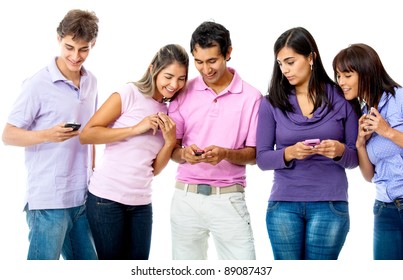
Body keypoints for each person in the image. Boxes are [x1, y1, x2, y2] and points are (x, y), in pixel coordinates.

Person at [1, 9, 99, 260]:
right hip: (48, 201)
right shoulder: (37, 84)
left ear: (93, 44)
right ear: (58, 39)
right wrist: (47, 135)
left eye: (83, 49)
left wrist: (94, 175)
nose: (75, 56)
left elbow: (91, 131)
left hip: (81, 198)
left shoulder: (91, 82)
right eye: (69, 47)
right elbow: (8, 135)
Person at [255, 27, 359, 260]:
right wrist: (289, 153)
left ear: (311, 57)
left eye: (290, 62)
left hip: (330, 204)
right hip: (283, 205)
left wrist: (339, 151)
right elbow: (262, 158)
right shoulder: (270, 103)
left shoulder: (342, 98)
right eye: (281, 64)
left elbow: (355, 158)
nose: (285, 70)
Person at [79, 44, 189, 260]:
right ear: (152, 69)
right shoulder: (129, 94)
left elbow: (153, 170)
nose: (174, 84)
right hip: (106, 200)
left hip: (141, 203)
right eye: (168, 76)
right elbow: (87, 135)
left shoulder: (169, 111)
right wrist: (135, 128)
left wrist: (169, 143)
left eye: (181, 78)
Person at [168, 21, 262, 260]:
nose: (205, 69)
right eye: (198, 62)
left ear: (228, 52)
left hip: (229, 198)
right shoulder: (183, 92)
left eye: (212, 61)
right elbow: (173, 150)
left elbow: (254, 155)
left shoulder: (252, 97)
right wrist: (184, 154)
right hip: (186, 198)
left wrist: (226, 154)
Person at [333, 43, 403, 260]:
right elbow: (369, 176)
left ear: (365, 72)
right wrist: (361, 144)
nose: (341, 82)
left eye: (347, 75)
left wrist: (387, 131)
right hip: (385, 208)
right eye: (338, 76)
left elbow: (391, 135)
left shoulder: (398, 98)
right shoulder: (363, 113)